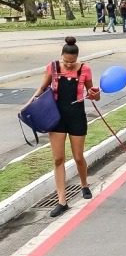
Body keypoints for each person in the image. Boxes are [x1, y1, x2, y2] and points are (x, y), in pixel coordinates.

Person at [26, 37, 100, 217]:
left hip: (77, 116)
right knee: (58, 159)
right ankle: (62, 200)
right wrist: (28, 105)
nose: (68, 65)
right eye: (66, 61)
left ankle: (84, 184)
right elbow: (42, 89)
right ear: (61, 57)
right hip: (56, 117)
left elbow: (94, 96)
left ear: (77, 59)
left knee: (78, 156)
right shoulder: (52, 67)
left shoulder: (85, 69)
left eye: (72, 62)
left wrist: (94, 94)